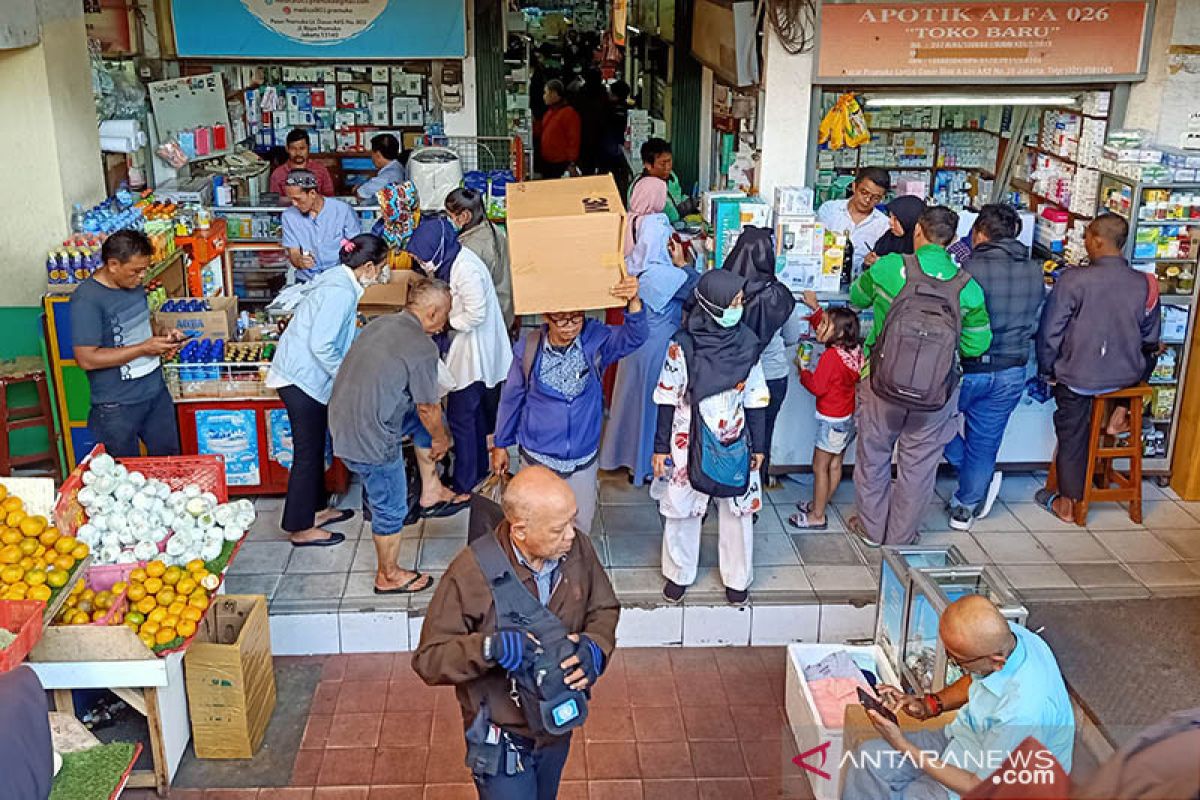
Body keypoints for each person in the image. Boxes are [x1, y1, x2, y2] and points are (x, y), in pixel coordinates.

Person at [412, 465, 619, 800]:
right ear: (520, 530)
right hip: (502, 734)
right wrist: (487, 648)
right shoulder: (470, 572)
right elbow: (428, 659)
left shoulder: (576, 549)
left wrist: (595, 649)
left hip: (555, 721)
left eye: (572, 520)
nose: (571, 534)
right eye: (557, 529)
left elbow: (604, 609)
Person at [849, 206, 992, 547]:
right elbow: (976, 345)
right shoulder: (967, 288)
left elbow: (856, 297)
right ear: (953, 240)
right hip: (934, 393)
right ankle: (901, 537)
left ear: (918, 232)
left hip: (881, 382)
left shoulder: (889, 267)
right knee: (918, 467)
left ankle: (871, 529)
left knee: (874, 456)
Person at [844, 595, 1075, 800]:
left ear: (997, 662)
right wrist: (929, 705)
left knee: (913, 794)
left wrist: (901, 744)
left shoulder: (1022, 712)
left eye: (957, 661)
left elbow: (977, 786)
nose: (954, 664)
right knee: (868, 759)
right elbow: (977, 675)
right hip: (963, 739)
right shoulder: (1013, 639)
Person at [492, 275, 647, 533]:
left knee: (579, 527)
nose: (569, 326)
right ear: (546, 317)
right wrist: (500, 444)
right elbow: (511, 398)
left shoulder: (596, 340)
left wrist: (633, 301)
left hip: (582, 460)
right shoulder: (528, 349)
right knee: (538, 529)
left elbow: (635, 336)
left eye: (576, 318)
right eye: (561, 319)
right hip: (537, 458)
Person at [328, 277, 453, 594]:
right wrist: (441, 440)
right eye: (446, 314)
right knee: (391, 505)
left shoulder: (380, 324)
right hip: (370, 437)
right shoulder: (422, 346)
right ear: (433, 311)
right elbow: (429, 408)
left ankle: (432, 489)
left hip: (340, 421)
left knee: (421, 423)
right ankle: (388, 575)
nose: (445, 323)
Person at [1034, 213, 1160, 524]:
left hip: (1081, 377)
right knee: (1141, 364)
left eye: (1088, 237)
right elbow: (1151, 339)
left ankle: (1067, 503)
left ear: (1098, 241)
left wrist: (1049, 371)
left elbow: (1050, 333)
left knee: (1073, 430)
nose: (1085, 242)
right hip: (1126, 378)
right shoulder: (1144, 283)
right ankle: (1121, 413)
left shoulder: (1074, 280)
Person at [653, 271, 769, 606]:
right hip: (687, 437)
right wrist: (661, 447)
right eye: (732, 302)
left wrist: (759, 445)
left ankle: (737, 578)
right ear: (712, 304)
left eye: (740, 302)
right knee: (682, 509)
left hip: (734, 436)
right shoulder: (683, 345)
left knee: (738, 510)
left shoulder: (748, 343)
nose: (738, 307)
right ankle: (678, 573)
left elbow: (756, 396)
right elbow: (666, 396)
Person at [267, 233, 385, 547]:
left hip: (303, 375)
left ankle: (316, 509)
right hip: (301, 380)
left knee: (317, 448)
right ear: (369, 267)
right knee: (307, 453)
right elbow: (322, 345)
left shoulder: (339, 279)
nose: (381, 276)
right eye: (381, 269)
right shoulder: (340, 292)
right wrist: (346, 376)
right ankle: (299, 526)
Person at [944, 205, 1042, 531]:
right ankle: (966, 506)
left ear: (980, 233)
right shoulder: (1035, 271)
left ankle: (970, 476)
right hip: (1011, 370)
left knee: (929, 424)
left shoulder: (966, 269)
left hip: (966, 368)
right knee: (985, 442)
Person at [599, 176, 698, 485]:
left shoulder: (628, 222)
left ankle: (621, 456)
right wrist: (682, 264)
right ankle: (646, 463)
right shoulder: (658, 231)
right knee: (656, 402)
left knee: (629, 397)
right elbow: (696, 288)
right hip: (659, 340)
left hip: (635, 331)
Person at [405, 217, 512, 495]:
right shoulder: (452, 261)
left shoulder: (465, 269)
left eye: (422, 256)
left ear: (437, 249)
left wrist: (445, 323)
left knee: (462, 418)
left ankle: (465, 484)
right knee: (471, 419)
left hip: (474, 352)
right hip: (466, 348)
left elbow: (476, 314)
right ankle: (475, 470)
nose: (422, 262)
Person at [70, 229, 182, 458]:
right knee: (124, 474)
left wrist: (164, 334)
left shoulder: (132, 284)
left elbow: (144, 323)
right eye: (136, 271)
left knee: (168, 460)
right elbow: (86, 358)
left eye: (145, 270)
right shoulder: (87, 299)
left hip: (155, 392)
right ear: (113, 265)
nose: (141, 276)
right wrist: (144, 348)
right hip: (117, 405)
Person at [789, 293, 863, 530]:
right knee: (835, 464)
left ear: (838, 334)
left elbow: (818, 387)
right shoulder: (852, 351)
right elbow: (831, 327)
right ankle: (820, 502)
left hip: (830, 420)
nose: (818, 326)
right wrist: (816, 309)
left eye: (823, 325)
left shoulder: (831, 357)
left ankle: (817, 515)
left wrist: (803, 372)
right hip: (846, 416)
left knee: (819, 467)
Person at [445, 188, 515, 331]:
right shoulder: (492, 229)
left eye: (449, 215)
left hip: (490, 318)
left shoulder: (472, 249)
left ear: (464, 216)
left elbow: (470, 293)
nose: (448, 220)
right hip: (504, 308)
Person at [281, 170, 362, 282]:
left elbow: (357, 246)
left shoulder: (342, 210)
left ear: (312, 193)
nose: (294, 204)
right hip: (307, 280)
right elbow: (293, 253)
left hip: (339, 278)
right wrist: (300, 261)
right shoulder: (289, 216)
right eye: (291, 199)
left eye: (298, 199)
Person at [816, 166, 893, 277]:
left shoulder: (883, 225)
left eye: (875, 197)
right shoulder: (829, 211)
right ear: (854, 186)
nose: (867, 200)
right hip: (825, 277)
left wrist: (869, 262)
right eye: (864, 192)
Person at [628, 138, 691, 226]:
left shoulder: (672, 177)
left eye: (669, 161)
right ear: (648, 165)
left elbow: (678, 197)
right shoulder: (642, 187)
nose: (668, 167)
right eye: (663, 164)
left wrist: (689, 203)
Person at [536, 79, 581, 178]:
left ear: (554, 94)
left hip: (561, 164)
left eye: (546, 93)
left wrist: (571, 163)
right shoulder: (550, 111)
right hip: (548, 162)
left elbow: (574, 140)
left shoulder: (569, 113)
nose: (544, 96)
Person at [269, 128, 335, 196]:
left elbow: (329, 197)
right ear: (287, 149)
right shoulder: (277, 174)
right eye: (293, 148)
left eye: (302, 148)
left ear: (309, 147)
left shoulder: (321, 170)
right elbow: (275, 202)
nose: (298, 153)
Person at [869, 194, 926, 262]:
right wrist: (868, 262)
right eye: (890, 217)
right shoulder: (888, 239)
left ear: (909, 220)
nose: (890, 222)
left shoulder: (924, 244)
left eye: (895, 219)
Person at [355, 133, 406, 201]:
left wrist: (356, 189)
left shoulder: (388, 175)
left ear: (378, 155)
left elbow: (360, 193)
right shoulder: (398, 167)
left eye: (372, 153)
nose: (372, 157)